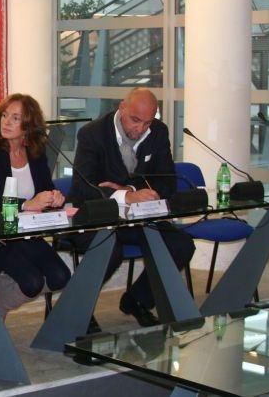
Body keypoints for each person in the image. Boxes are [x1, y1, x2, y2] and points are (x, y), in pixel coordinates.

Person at [70, 87, 196, 328]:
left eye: (147, 122)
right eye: (135, 120)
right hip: (97, 218)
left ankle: (137, 300)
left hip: (139, 218)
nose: (141, 128)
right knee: (109, 250)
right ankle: (78, 309)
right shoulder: (93, 134)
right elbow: (83, 188)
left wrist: (132, 190)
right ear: (122, 108)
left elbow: (167, 182)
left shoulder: (158, 132)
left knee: (180, 245)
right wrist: (127, 195)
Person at [0, 93, 71, 311]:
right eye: (5, 115)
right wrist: (25, 204)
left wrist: (54, 197)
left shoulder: (35, 151)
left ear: (29, 125)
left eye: (15, 118)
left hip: (26, 231)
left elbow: (44, 189)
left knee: (60, 276)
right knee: (32, 282)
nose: (6, 122)